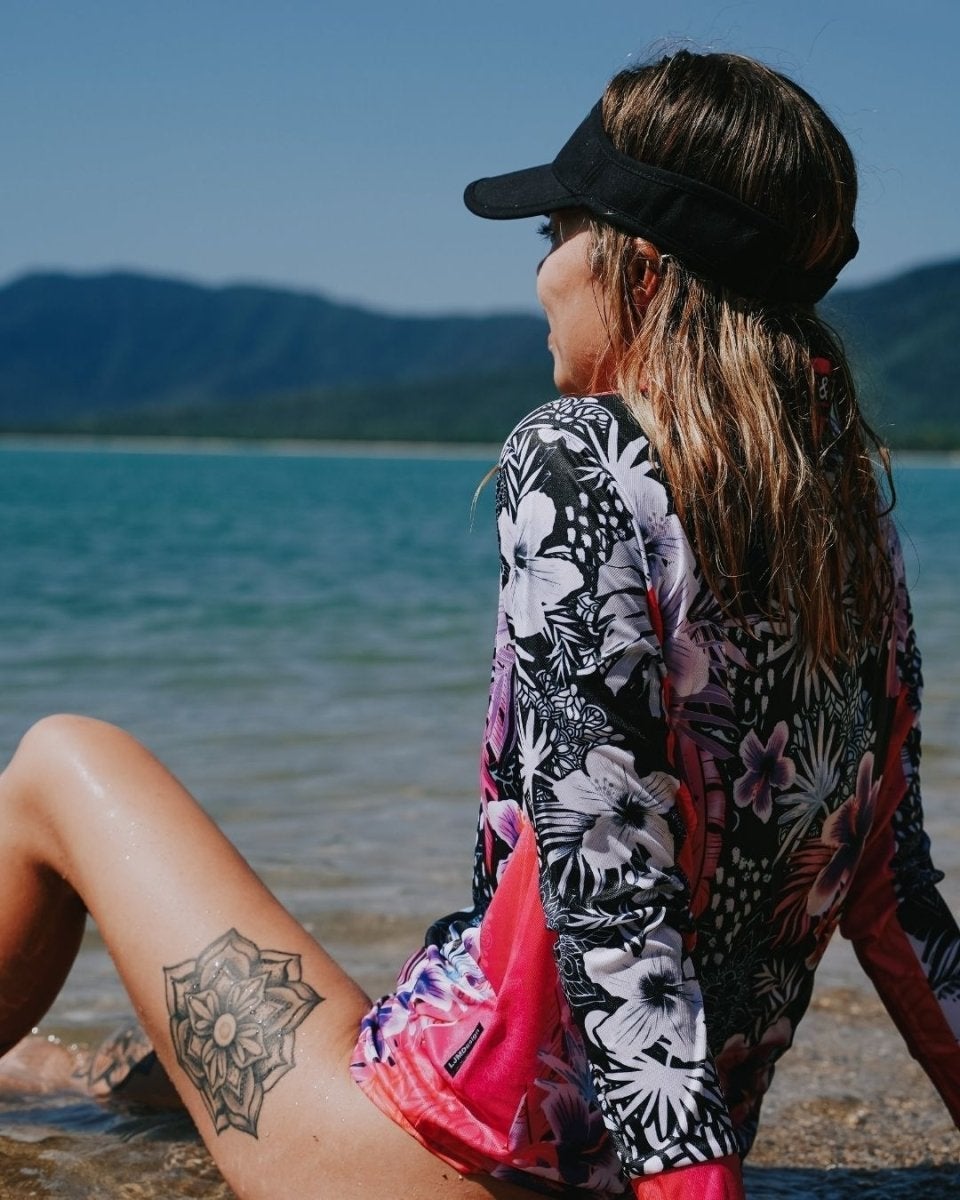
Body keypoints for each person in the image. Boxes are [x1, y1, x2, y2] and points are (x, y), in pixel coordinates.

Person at [0, 49, 958, 1200]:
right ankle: (63, 1082)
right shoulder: (844, 515)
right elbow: (898, 905)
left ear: (639, 269)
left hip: (452, 1161)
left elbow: (607, 881)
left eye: (554, 233)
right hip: (640, 1149)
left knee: (61, 759)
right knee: (163, 1066)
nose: (542, 274)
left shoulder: (578, 455)